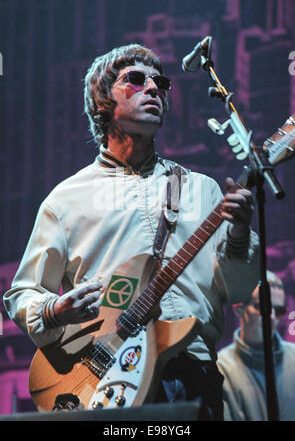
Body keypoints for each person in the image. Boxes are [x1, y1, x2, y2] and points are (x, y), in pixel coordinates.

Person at [3, 44, 260, 420]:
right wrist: (56, 308)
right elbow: (23, 292)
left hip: (195, 374)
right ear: (103, 101)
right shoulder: (66, 200)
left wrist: (238, 234)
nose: (154, 88)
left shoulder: (201, 189)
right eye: (135, 80)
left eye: (160, 82)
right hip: (106, 381)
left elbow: (235, 290)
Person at [217, 271, 295, 421]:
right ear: (239, 308)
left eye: (279, 311)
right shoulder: (221, 369)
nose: (271, 316)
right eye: (262, 306)